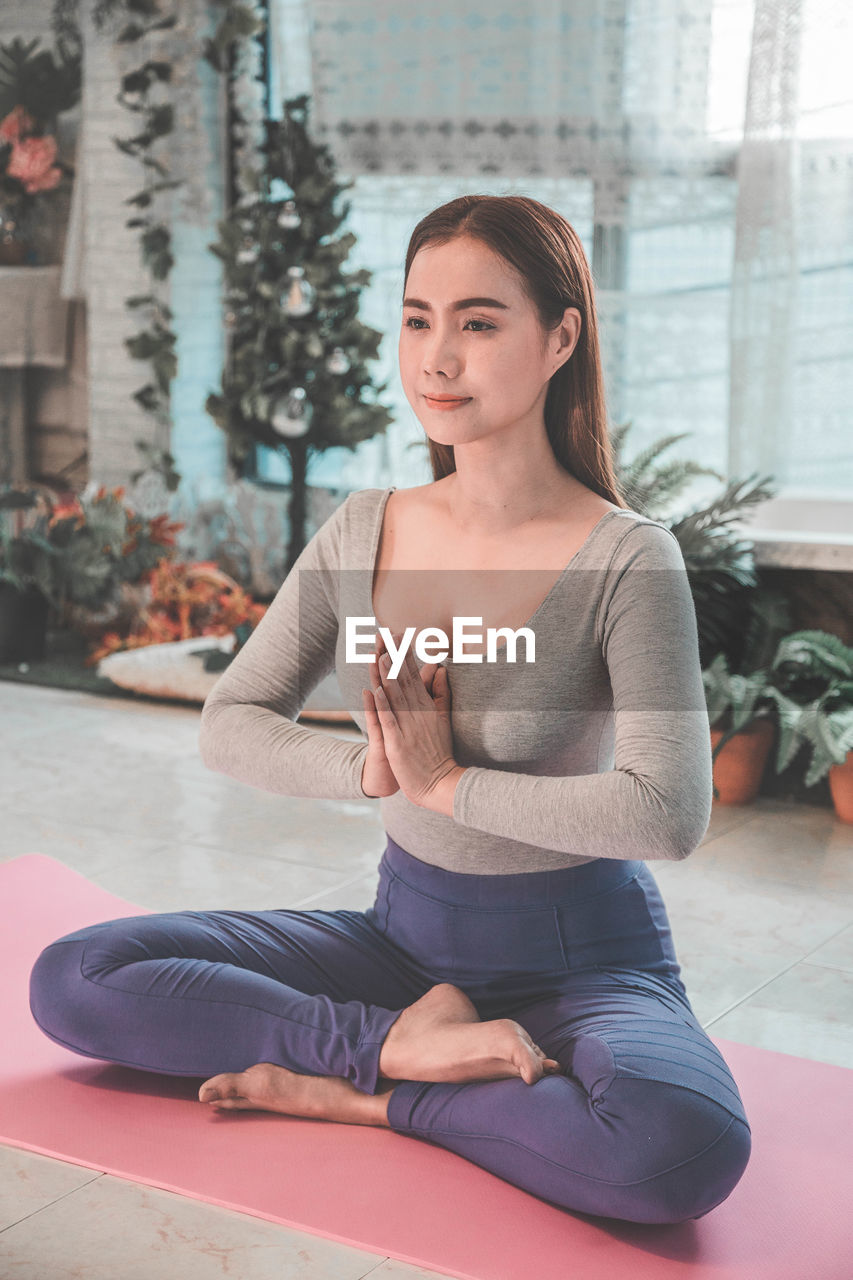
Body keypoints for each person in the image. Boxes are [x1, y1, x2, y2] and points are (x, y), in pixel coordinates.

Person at [29, 194, 751, 1226]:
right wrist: (362, 772)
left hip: (584, 959)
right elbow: (229, 717)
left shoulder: (628, 557)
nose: (436, 358)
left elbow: (668, 812)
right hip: (402, 943)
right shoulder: (364, 529)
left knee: (679, 1145)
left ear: (560, 337)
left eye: (478, 321)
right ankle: (396, 1043)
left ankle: (374, 1095)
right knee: (78, 975)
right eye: (417, 318)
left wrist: (449, 784)